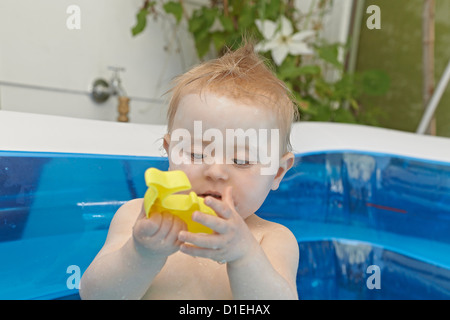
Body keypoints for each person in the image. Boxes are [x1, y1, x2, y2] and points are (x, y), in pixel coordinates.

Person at [79, 42, 300, 300]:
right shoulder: (139, 221)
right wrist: (140, 255)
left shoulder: (271, 241)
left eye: (241, 160)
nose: (215, 171)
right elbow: (95, 296)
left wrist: (244, 256)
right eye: (196, 153)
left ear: (277, 173)